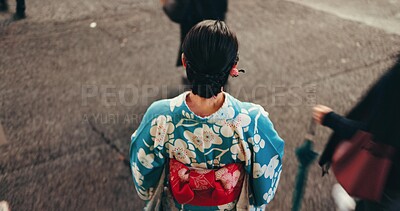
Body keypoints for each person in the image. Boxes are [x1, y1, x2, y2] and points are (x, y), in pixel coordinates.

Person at [130, 20, 284, 210]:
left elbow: (144, 178)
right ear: (233, 67)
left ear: (184, 61)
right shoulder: (252, 121)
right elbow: (265, 188)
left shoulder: (160, 116)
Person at [312, 55, 400, 211]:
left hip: (388, 179)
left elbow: (372, 135)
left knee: (379, 202)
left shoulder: (395, 82)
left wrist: (330, 118)